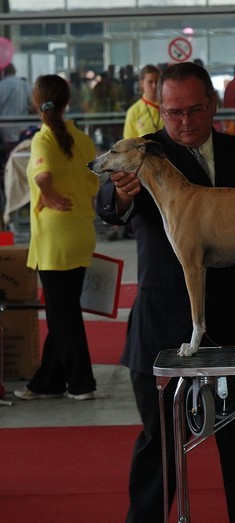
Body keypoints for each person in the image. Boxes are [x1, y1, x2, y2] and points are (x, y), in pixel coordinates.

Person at [96, 61, 235, 522]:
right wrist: (121, 195)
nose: (184, 122)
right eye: (173, 112)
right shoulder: (142, 153)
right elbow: (109, 211)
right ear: (160, 109)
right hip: (164, 325)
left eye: (195, 110)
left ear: (213, 105)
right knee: (160, 448)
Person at [14, 74, 98, 401]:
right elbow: (94, 181)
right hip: (80, 233)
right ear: (67, 102)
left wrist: (46, 193)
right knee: (62, 310)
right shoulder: (81, 138)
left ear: (37, 102)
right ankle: (46, 382)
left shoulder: (43, 138)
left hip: (55, 239)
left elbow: (43, 175)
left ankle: (82, 383)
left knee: (63, 315)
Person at [122, 64, 163, 139]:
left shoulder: (169, 107)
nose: (154, 85)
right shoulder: (134, 111)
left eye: (157, 81)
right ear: (142, 83)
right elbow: (128, 144)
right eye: (150, 82)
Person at [0, 63, 32, 156]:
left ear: (3, 72)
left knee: (7, 154)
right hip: (22, 127)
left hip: (4, 128)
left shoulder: (1, 86)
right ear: (15, 71)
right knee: (21, 153)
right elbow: (32, 105)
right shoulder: (25, 85)